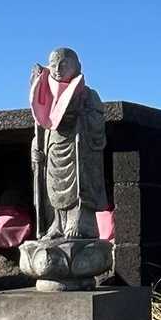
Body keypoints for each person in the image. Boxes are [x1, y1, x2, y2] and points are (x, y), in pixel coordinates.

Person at [29, 48, 106, 239]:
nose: (57, 69)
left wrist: (81, 116)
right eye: (53, 65)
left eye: (63, 64)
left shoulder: (88, 94)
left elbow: (97, 122)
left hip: (77, 145)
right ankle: (57, 222)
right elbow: (42, 125)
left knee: (79, 182)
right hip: (54, 147)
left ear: (77, 66)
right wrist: (36, 147)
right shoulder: (46, 94)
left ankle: (80, 220)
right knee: (53, 184)